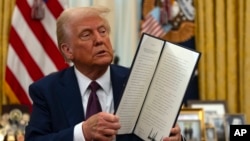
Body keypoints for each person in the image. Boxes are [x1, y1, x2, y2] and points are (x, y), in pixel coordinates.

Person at [25, 6, 185, 141]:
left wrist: (176, 138)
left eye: (103, 31)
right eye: (86, 35)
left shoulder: (140, 81)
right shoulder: (46, 91)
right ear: (68, 51)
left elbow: (159, 132)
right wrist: (83, 132)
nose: (99, 40)